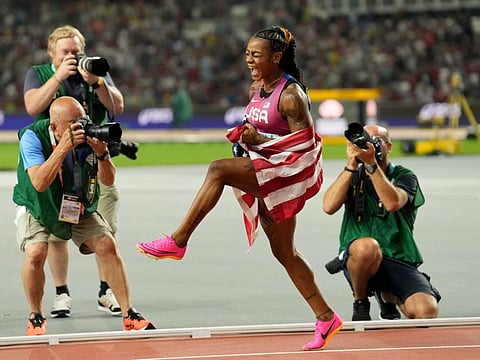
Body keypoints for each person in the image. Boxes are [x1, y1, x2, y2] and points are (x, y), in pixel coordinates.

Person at [137, 26, 343, 351]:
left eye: (256, 54)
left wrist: (259, 140)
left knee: (218, 170)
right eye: (247, 53)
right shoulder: (256, 88)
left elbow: (303, 148)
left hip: (282, 177)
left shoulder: (291, 96)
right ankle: (326, 316)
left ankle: (178, 241)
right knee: (284, 252)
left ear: (277, 57)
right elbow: (260, 127)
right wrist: (246, 135)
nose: (249, 59)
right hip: (264, 175)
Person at [13, 96, 155, 336]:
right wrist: (64, 148)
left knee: (107, 244)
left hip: (76, 203)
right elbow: (38, 182)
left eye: (82, 120)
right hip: (39, 204)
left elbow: (108, 180)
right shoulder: (31, 137)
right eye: (72, 123)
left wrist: (102, 155)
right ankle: (35, 316)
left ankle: (128, 313)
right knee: (37, 252)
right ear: (54, 126)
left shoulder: (90, 136)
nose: (80, 127)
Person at [23, 25, 125, 318]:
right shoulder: (39, 73)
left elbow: (117, 106)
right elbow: (32, 107)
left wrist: (96, 82)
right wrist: (58, 77)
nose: (73, 56)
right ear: (51, 52)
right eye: (66, 51)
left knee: (106, 224)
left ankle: (106, 290)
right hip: (57, 160)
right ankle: (61, 293)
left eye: (76, 50)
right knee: (55, 230)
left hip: (94, 157)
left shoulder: (93, 70)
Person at [322, 123, 441, 321]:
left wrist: (371, 166)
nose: (370, 144)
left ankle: (388, 295)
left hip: (398, 256)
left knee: (426, 313)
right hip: (361, 257)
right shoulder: (352, 175)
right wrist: (351, 165)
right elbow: (328, 206)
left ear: (389, 146)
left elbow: (392, 203)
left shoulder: (404, 176)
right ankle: (360, 301)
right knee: (368, 247)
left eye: (376, 140)